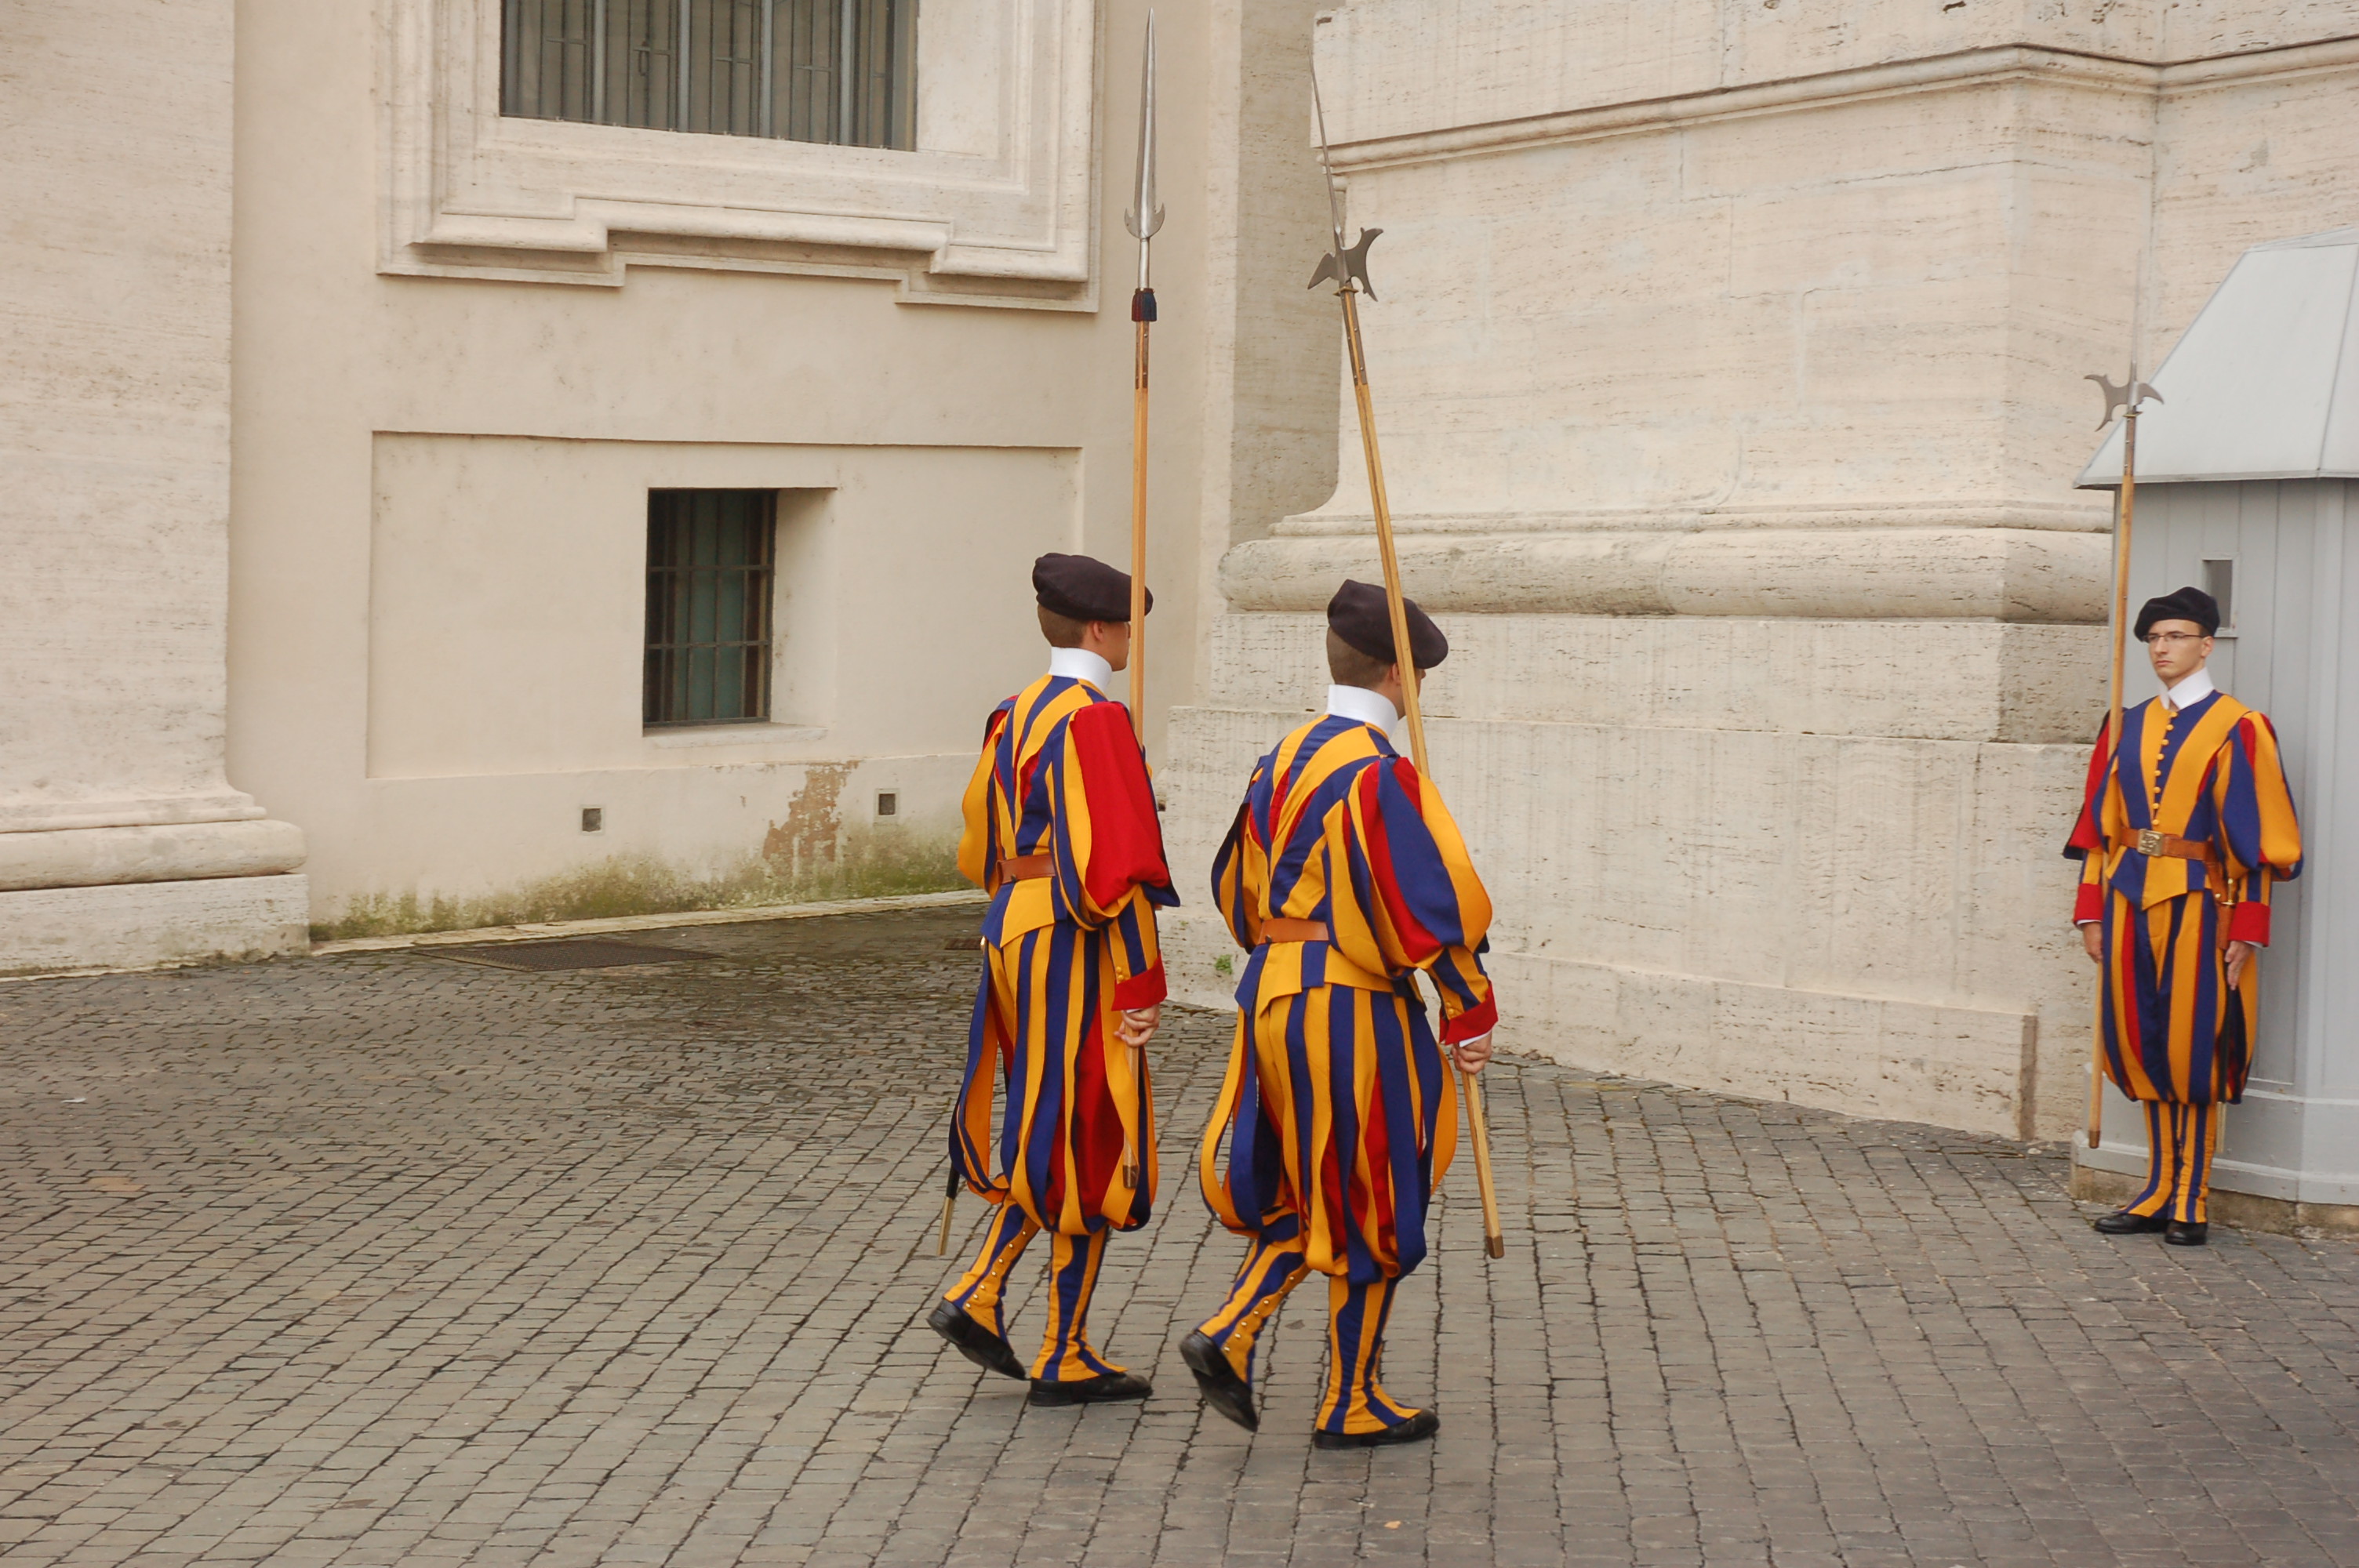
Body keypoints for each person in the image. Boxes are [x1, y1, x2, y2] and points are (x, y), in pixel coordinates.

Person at [1180, 579, 1496, 1447]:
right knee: (1373, 1191)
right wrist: (1468, 1010)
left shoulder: (1279, 758)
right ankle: (1346, 1397)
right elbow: (1424, 906)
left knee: (1304, 1183)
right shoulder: (1378, 773)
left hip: (1273, 991)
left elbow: (1234, 885)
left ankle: (1235, 1332)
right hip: (1350, 1004)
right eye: (1418, 677)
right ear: (1397, 675)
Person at [928, 553, 1177, 1403]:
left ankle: (1005, 1303)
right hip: (1074, 932)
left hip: (1012, 919)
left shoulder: (1015, 710)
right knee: (1091, 1124)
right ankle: (1023, 1320)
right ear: (1101, 630)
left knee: (1056, 1115)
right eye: (1128, 627)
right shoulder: (1096, 719)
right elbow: (1118, 868)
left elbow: (977, 836)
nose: (1132, 640)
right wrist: (1141, 979)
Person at [2067, 585, 2302, 1246]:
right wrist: (2090, 912)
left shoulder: (2239, 727)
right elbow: (2099, 831)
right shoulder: (2124, 724)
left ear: (2206, 645)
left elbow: (2258, 841)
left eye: (2174, 637)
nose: (2161, 649)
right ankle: (2156, 1190)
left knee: (2192, 1047)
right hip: (2127, 899)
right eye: (2153, 638)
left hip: (2203, 904)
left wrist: (2249, 926)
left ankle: (2191, 1196)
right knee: (2141, 1042)